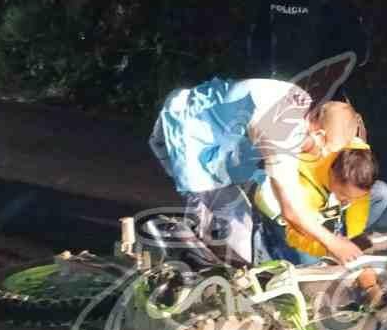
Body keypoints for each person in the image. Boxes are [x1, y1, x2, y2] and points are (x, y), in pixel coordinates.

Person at [149, 76, 364, 265]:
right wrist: (334, 243)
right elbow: (290, 211)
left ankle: (197, 246)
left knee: (239, 215)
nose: (324, 156)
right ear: (319, 133)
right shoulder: (280, 130)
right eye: (326, 150)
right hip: (186, 135)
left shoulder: (302, 102)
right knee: (236, 238)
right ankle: (179, 248)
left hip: (209, 126)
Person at [254, 138, 387, 264]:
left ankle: (346, 239)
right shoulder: (303, 188)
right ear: (332, 175)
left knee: (381, 192)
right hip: (288, 222)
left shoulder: (353, 150)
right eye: (344, 194)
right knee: (314, 266)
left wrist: (353, 238)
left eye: (354, 197)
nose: (349, 202)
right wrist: (331, 247)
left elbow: (359, 201)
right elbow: (295, 224)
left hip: (321, 204)